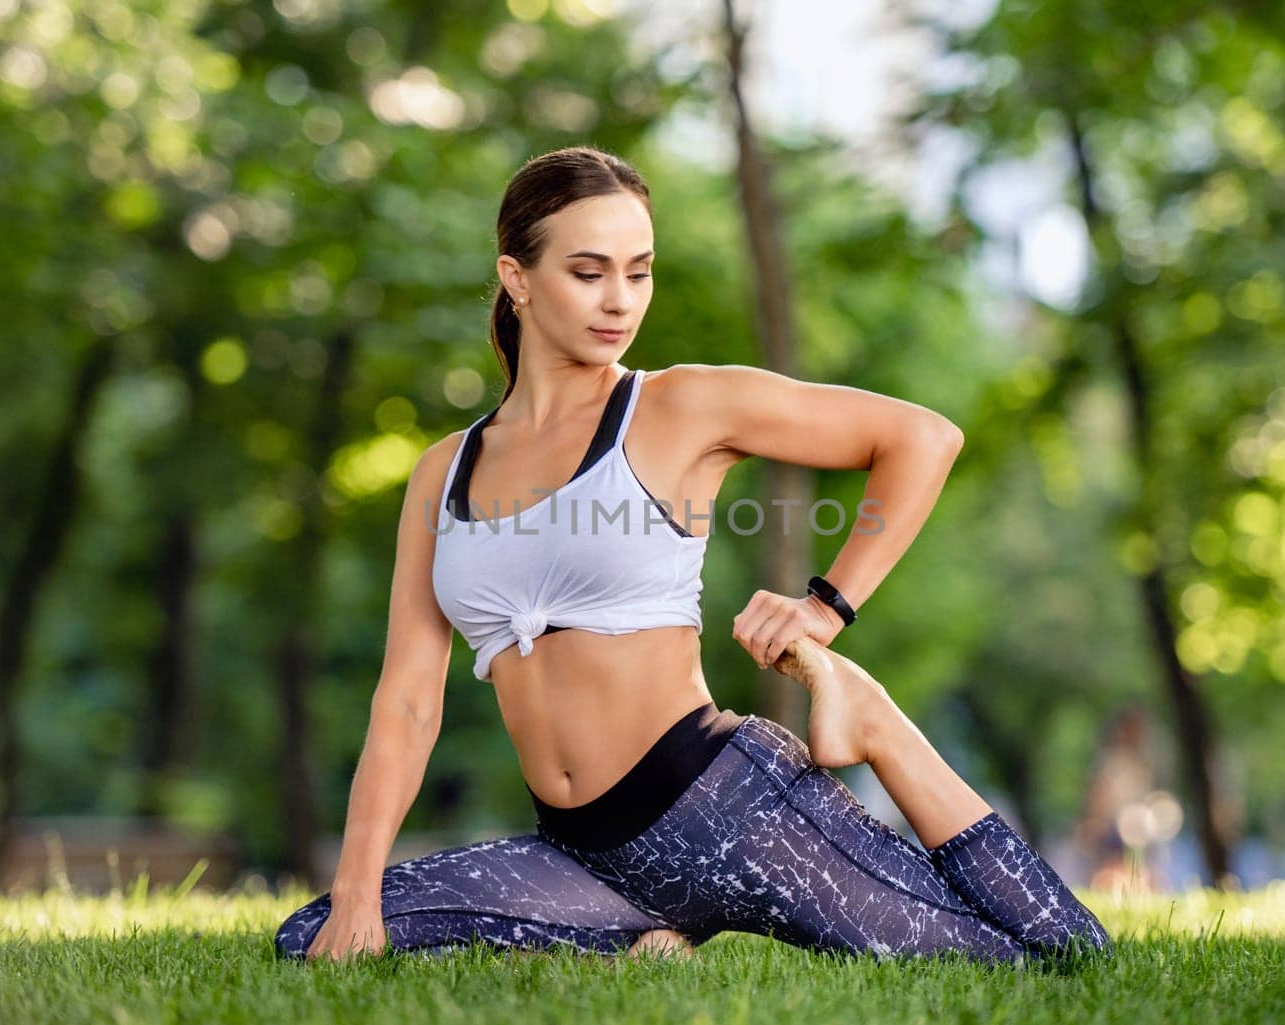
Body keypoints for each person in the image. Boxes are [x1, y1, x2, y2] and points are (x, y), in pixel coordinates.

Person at [273, 145, 1112, 967]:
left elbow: (921, 438)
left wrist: (826, 606)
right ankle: (645, 940)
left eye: (639, 271)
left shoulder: (678, 407)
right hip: (581, 855)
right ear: (516, 277)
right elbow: (407, 703)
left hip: (730, 813)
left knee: (1049, 953)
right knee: (313, 935)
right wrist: (355, 891)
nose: (620, 300)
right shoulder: (443, 472)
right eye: (589, 271)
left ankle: (874, 719)